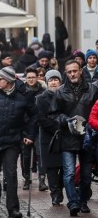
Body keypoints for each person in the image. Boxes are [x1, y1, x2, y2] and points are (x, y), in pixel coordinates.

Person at [0, 66, 37, 218]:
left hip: (13, 140)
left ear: (8, 81)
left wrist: (29, 134)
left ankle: (12, 207)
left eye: (0, 79)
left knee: (11, 173)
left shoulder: (24, 95)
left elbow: (34, 116)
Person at [50, 60, 98, 216]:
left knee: (85, 175)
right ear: (66, 73)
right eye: (69, 72)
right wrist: (66, 120)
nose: (72, 74)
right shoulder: (60, 91)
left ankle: (83, 201)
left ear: (80, 71)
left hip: (87, 138)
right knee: (69, 172)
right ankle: (73, 202)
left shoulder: (92, 89)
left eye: (75, 71)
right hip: (67, 136)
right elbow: (53, 114)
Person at [36, 70, 65, 206]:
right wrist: (56, 127)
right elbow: (41, 118)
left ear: (60, 81)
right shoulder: (40, 98)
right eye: (51, 80)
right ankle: (55, 193)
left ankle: (60, 188)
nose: (53, 82)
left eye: (56, 80)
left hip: (65, 136)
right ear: (47, 82)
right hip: (49, 137)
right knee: (52, 168)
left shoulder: (65, 96)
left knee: (66, 167)